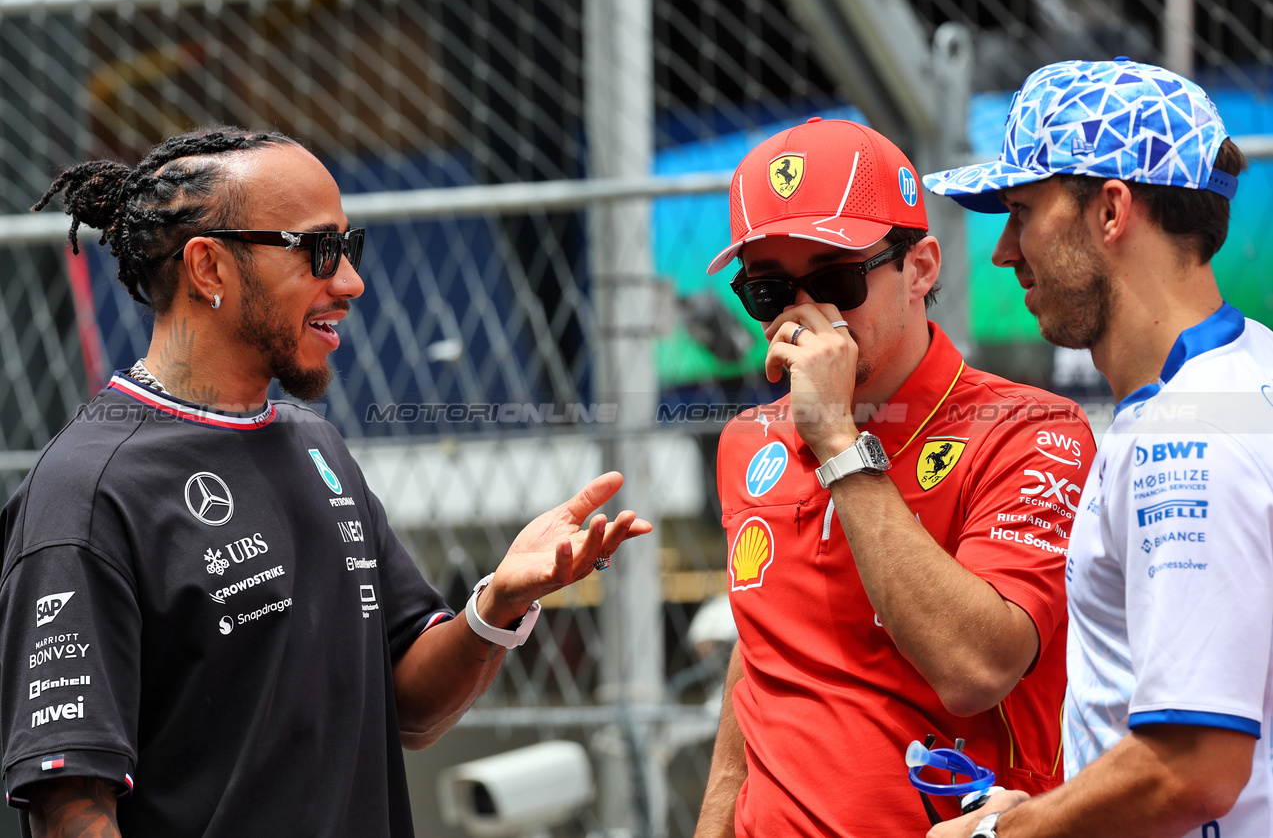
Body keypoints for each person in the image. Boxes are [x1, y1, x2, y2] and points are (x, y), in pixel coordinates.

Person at [0, 127, 651, 838]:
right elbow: (71, 809)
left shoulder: (317, 445)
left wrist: (498, 605)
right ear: (209, 268)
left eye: (348, 246)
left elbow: (408, 707)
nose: (349, 281)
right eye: (318, 250)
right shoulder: (90, 489)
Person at [692, 117, 1094, 837]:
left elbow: (975, 668)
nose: (802, 314)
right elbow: (761, 654)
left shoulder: (1028, 431)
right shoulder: (747, 441)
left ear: (922, 268)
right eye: (766, 292)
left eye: (834, 280)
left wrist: (839, 444)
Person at [923, 58, 1267, 838]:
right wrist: (1051, 808)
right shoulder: (1242, 377)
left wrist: (999, 836)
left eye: (1020, 210)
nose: (1004, 251)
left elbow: (1192, 768)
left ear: (1110, 211)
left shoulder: (1188, 438)